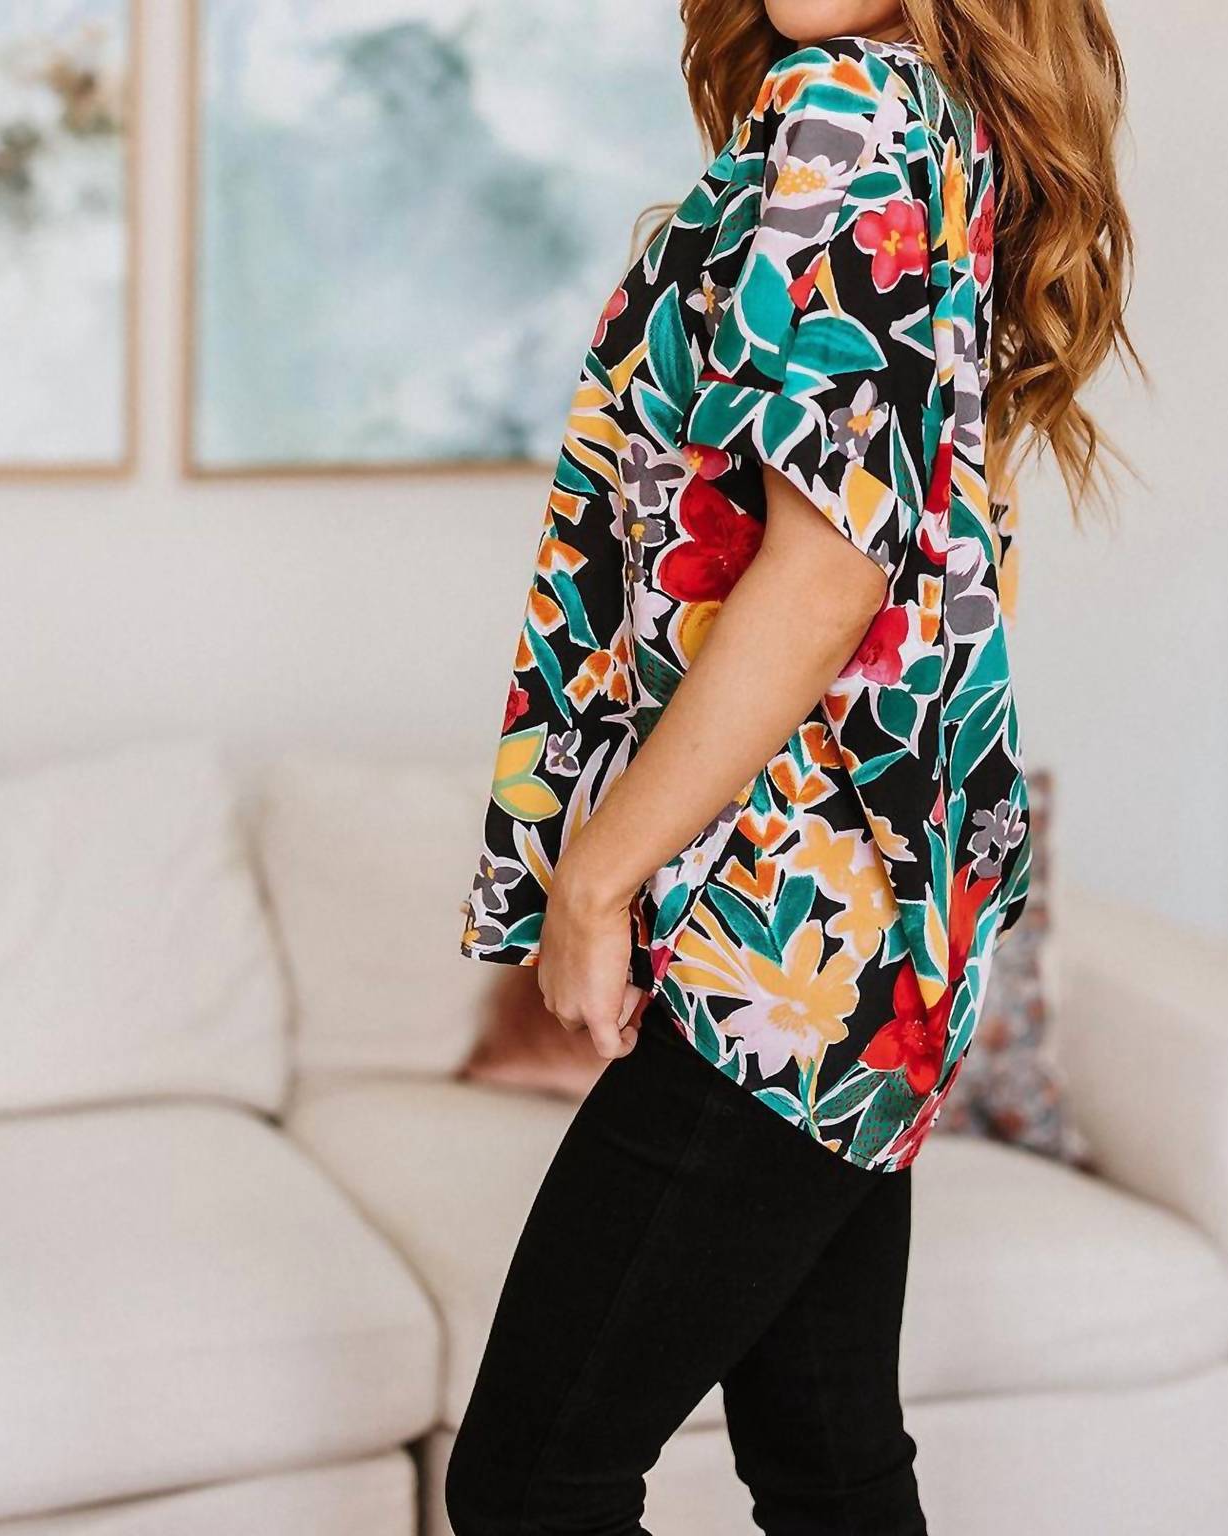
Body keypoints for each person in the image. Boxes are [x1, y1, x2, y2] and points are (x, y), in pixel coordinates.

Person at [448, 1, 1135, 1531]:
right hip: (874, 926)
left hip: (779, 926)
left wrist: (596, 879)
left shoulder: (851, 113)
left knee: (530, 1483)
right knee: (829, 1466)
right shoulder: (935, 121)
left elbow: (829, 571)